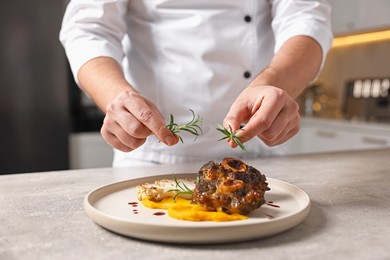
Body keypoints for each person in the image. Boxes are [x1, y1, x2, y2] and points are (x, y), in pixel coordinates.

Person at [60, 0, 333, 167]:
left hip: (259, 151)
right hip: (152, 156)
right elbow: (88, 28)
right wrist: (116, 96)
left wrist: (274, 84)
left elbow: (307, 19)